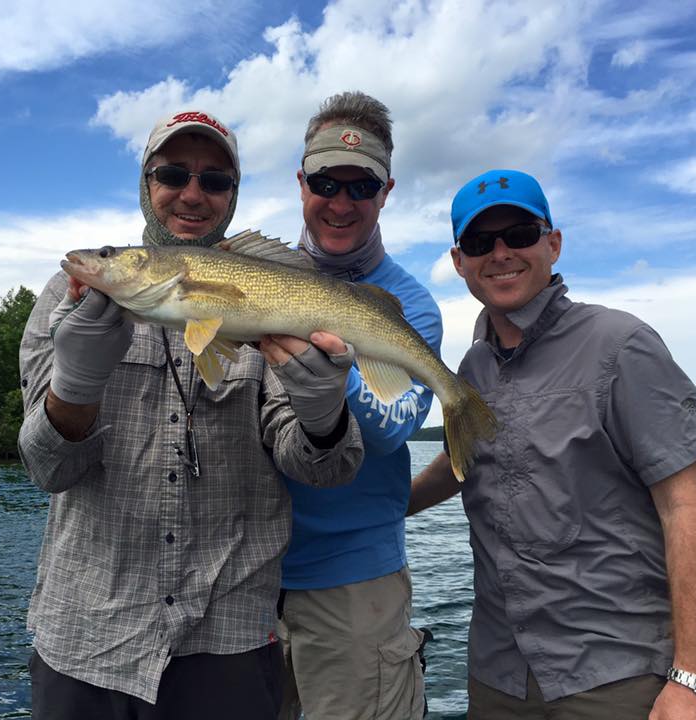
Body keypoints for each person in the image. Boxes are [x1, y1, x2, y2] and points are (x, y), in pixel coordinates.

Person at [18, 108, 365, 720]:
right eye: (172, 173)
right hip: (86, 640)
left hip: (228, 639)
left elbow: (324, 470)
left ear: (233, 196)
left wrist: (321, 414)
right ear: (146, 185)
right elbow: (47, 469)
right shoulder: (64, 297)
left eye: (215, 180)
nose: (192, 194)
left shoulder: (280, 292)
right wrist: (75, 386)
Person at [408, 169, 696, 719]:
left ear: (552, 244)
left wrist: (694, 679)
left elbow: (686, 507)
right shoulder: (473, 366)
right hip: (498, 674)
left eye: (521, 234)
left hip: (613, 673)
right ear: (459, 262)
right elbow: (470, 460)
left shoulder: (622, 344)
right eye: (481, 242)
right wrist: (379, 504)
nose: (501, 253)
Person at [277, 91, 442, 720]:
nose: (341, 203)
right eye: (325, 182)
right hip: (240, 581)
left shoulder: (410, 305)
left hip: (354, 589)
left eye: (361, 186)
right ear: (301, 182)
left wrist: (332, 370)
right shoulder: (253, 274)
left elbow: (393, 431)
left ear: (386, 191)